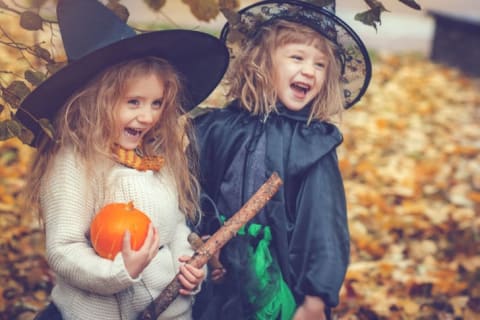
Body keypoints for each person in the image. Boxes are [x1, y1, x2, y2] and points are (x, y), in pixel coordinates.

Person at [18, 0, 229, 319]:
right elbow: (64, 249)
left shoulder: (155, 157)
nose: (147, 117)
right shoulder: (75, 163)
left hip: (169, 312)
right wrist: (119, 271)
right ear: (95, 102)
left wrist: (187, 267)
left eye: (157, 103)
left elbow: (174, 231)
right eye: (134, 102)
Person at [192, 1, 372, 319]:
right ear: (261, 61)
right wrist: (198, 240)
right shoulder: (221, 127)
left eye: (320, 65)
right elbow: (194, 192)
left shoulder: (310, 144)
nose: (309, 71)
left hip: (281, 280)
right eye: (297, 57)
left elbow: (324, 226)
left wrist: (317, 297)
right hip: (216, 274)